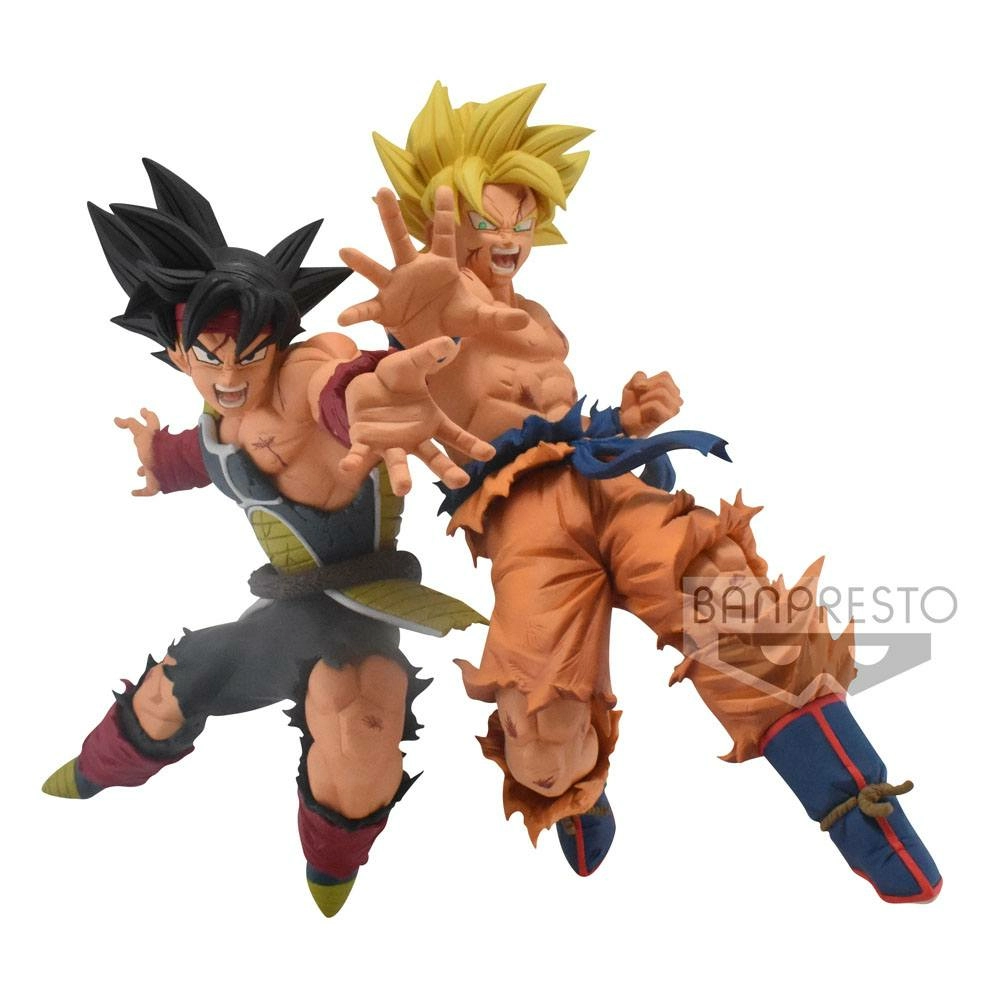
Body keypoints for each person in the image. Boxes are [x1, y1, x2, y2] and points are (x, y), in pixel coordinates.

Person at [335, 83, 941, 901]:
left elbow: (550, 423)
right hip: (523, 523)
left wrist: (628, 416)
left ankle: (867, 821)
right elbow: (374, 388)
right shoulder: (426, 309)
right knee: (543, 720)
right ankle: (574, 789)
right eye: (487, 218)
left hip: (607, 487)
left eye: (523, 220)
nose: (508, 239)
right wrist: (395, 346)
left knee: (744, 616)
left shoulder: (538, 318)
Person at [42, 159, 498, 916]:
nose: (230, 373)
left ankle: (332, 869)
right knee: (169, 691)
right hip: (286, 613)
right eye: (209, 353)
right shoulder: (221, 414)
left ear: (279, 341)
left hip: (368, 605)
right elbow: (206, 454)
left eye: (250, 352)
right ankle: (93, 772)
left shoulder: (305, 371)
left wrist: (373, 394)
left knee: (358, 732)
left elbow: (341, 387)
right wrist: (160, 461)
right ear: (178, 351)